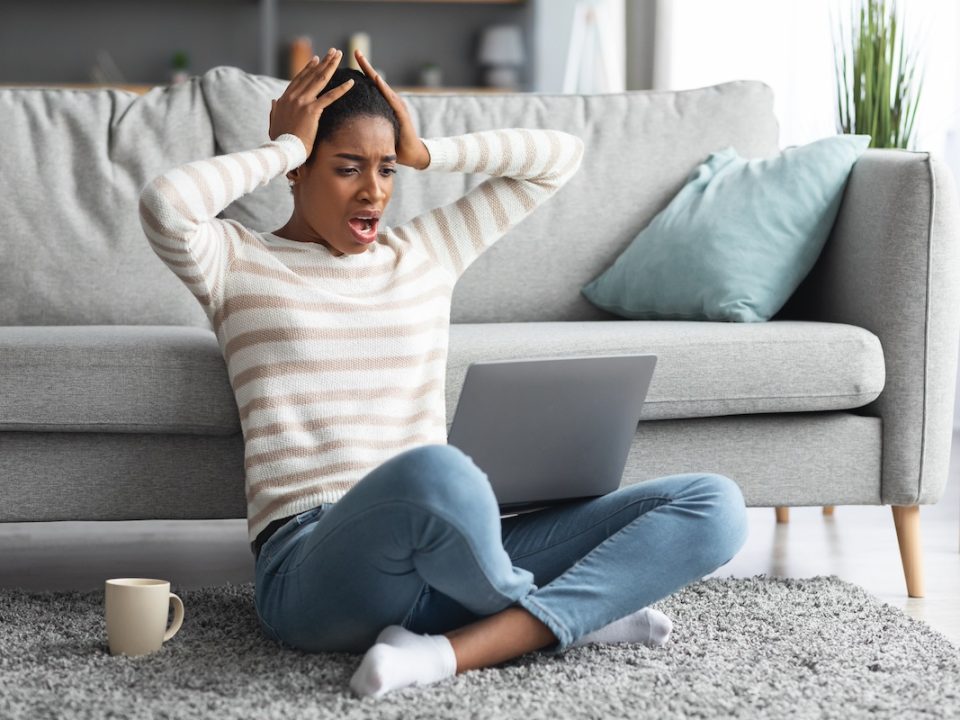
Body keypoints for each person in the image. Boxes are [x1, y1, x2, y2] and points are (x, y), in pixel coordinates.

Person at [139, 47, 750, 699]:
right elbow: (165, 204)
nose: (374, 190)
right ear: (300, 172)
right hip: (314, 566)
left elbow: (559, 157)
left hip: (455, 552)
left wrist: (426, 151)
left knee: (715, 505)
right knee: (439, 470)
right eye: (347, 168)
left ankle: (444, 652)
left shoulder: (425, 252)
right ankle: (561, 613)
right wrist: (286, 144)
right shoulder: (235, 261)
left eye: (387, 170)